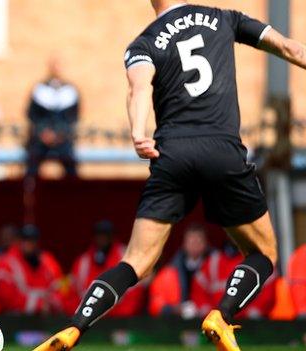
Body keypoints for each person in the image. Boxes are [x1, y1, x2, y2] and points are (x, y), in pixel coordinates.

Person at [35, 1, 306, 350]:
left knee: (135, 262)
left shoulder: (143, 43)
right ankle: (221, 316)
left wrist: (138, 131)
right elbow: (288, 47)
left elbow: (139, 89)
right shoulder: (224, 19)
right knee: (264, 253)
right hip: (221, 150)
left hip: (171, 154)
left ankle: (75, 327)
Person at [68, 220, 145, 317]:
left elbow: (135, 292)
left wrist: (117, 316)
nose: (102, 239)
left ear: (111, 237)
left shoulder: (125, 256)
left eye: (105, 236)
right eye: (99, 235)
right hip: (89, 321)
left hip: (121, 320)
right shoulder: (83, 262)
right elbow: (73, 296)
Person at [0, 224, 68, 315]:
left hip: (45, 319)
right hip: (16, 320)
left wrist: (51, 303)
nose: (28, 244)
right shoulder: (7, 262)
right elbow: (5, 298)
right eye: (25, 240)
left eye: (32, 240)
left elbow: (60, 291)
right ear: (19, 241)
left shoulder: (48, 262)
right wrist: (38, 304)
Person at [26, 55, 79, 178]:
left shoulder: (70, 90)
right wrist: (43, 133)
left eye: (59, 66)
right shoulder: (39, 90)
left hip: (63, 139)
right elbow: (32, 115)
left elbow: (73, 117)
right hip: (41, 140)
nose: (57, 69)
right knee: (32, 163)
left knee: (71, 165)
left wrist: (61, 134)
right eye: (54, 66)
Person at [149, 224, 210, 317]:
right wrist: (173, 309)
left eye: (198, 241)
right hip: (176, 323)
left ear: (205, 243)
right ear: (184, 244)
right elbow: (155, 304)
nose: (194, 245)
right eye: (191, 241)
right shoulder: (168, 273)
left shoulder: (215, 268)